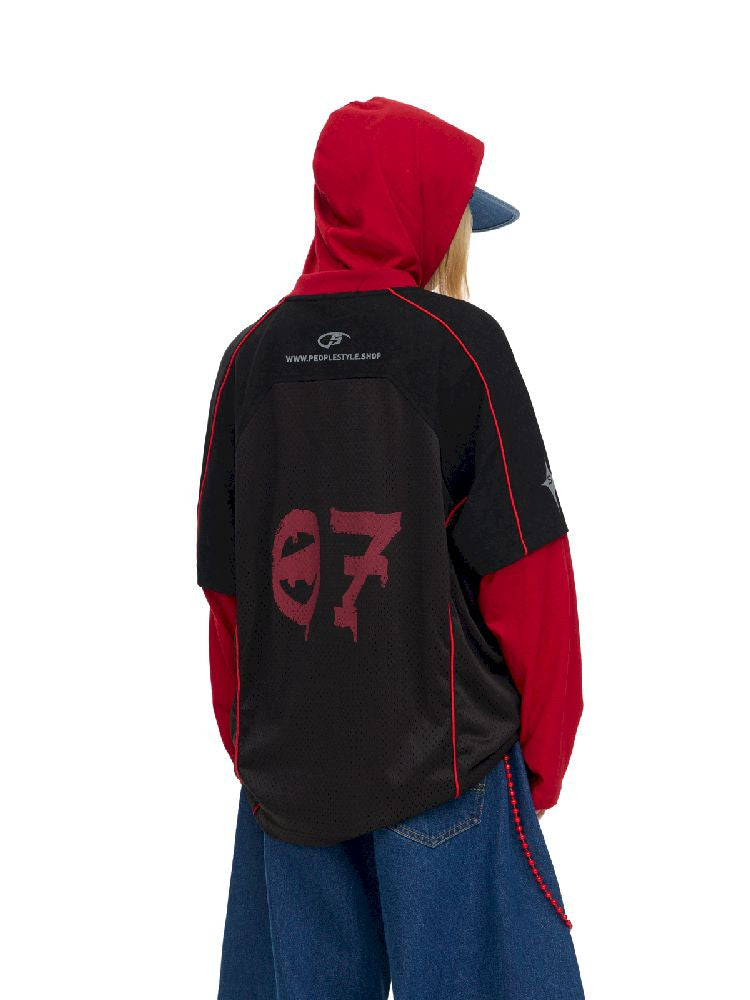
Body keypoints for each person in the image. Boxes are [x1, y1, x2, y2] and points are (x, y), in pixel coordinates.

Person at [196, 95, 585, 1000]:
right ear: (420, 214)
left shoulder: (247, 361)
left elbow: (227, 597)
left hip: (289, 788)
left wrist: (266, 753)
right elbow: (532, 583)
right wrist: (535, 771)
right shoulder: (461, 348)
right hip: (447, 774)